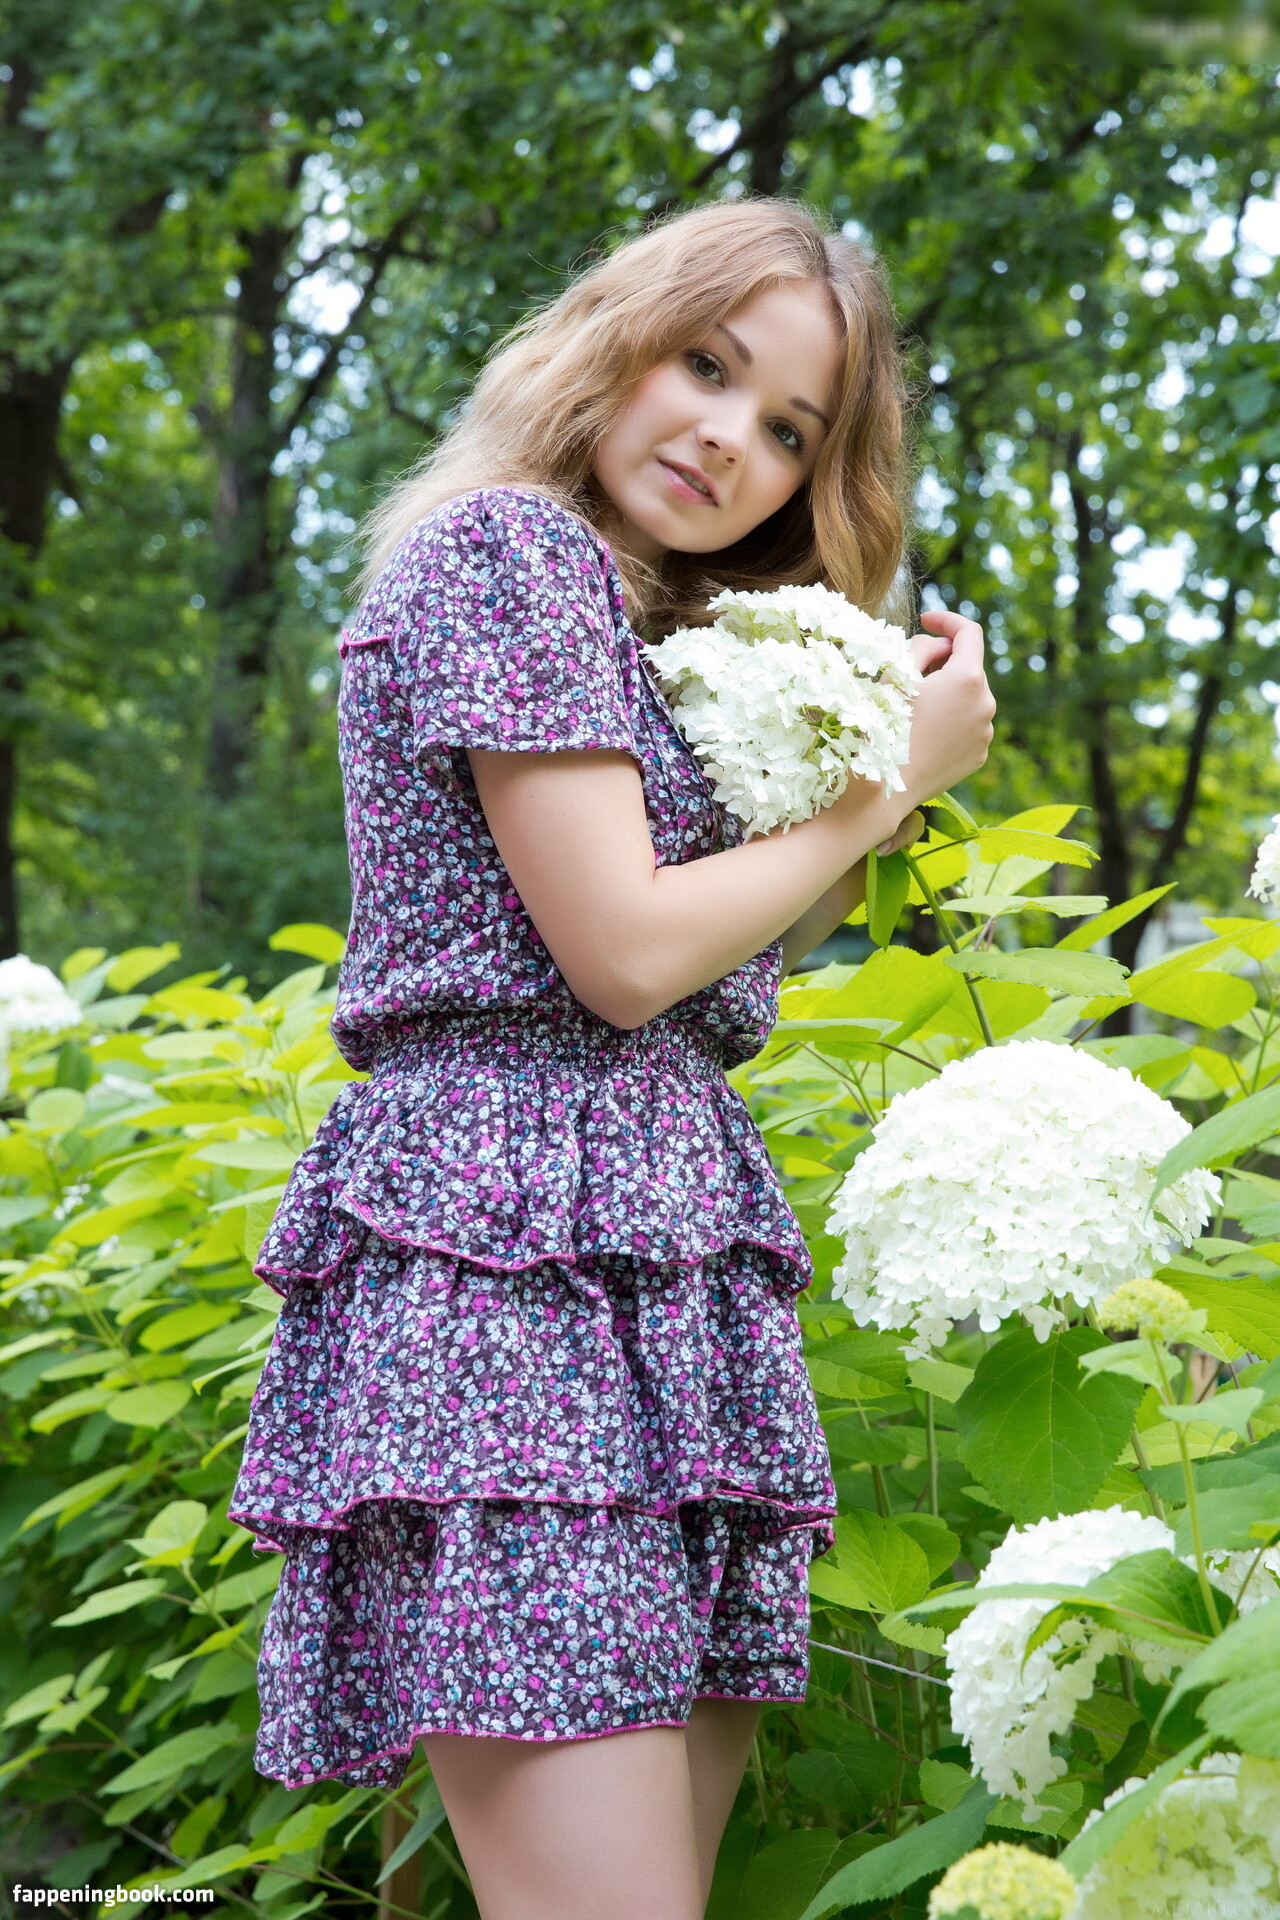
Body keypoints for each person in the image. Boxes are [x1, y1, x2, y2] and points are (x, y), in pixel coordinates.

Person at [227, 196, 995, 1920]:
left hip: (664, 1262)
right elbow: (628, 954)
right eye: (706, 366)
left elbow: (720, 954)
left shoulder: (651, 633)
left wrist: (848, 740)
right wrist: (889, 784)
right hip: (510, 1261)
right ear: (615, 342)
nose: (731, 438)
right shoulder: (511, 553)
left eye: (789, 428)